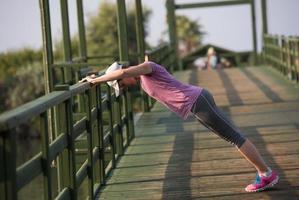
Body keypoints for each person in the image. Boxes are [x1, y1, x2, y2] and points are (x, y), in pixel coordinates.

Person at [80, 57, 279, 192]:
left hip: (198, 101)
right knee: (232, 138)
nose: (123, 87)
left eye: (121, 84)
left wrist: (96, 81)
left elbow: (124, 72)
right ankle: (264, 172)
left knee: (235, 138)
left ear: (125, 75)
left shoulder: (146, 69)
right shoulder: (143, 78)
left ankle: (266, 174)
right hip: (196, 103)